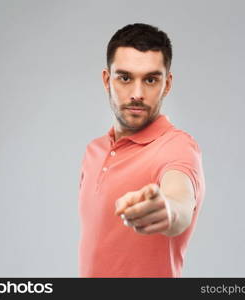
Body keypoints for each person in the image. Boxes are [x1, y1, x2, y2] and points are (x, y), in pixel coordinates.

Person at [78, 23, 205, 277]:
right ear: (107, 80)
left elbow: (179, 198)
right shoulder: (94, 150)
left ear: (167, 85)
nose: (137, 94)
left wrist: (168, 209)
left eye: (150, 80)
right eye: (125, 78)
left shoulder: (177, 147)